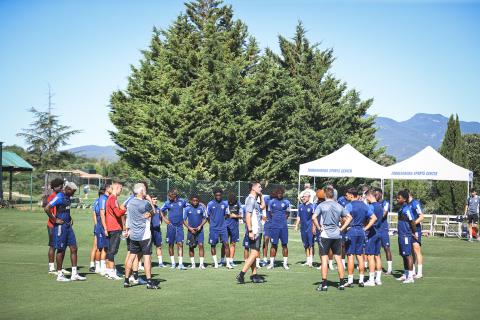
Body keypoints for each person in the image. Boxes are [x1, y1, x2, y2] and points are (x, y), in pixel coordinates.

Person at [312, 186, 352, 291]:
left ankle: (324, 284)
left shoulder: (321, 205)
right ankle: (342, 283)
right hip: (337, 235)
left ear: (325, 195)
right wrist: (342, 228)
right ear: (333, 195)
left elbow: (313, 217)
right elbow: (349, 217)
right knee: (338, 259)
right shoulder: (339, 205)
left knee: (324, 259)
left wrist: (319, 228)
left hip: (325, 235)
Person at [44, 182, 86, 281]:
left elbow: (65, 210)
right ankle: (59, 275)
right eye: (72, 191)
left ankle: (74, 274)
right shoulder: (59, 196)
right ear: (67, 189)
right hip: (60, 227)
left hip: (68, 227)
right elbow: (47, 208)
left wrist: (70, 217)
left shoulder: (68, 197)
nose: (73, 194)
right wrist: (54, 220)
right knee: (61, 250)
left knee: (74, 248)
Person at [123, 183, 158, 289]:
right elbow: (154, 211)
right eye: (144, 190)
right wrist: (149, 200)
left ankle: (126, 281)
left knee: (131, 257)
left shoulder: (130, 203)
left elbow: (127, 215)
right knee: (147, 257)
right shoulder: (145, 204)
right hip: (144, 235)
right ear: (141, 191)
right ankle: (149, 282)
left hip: (133, 235)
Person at [344, 187, 377, 287]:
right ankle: (361, 280)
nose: (346, 196)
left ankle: (350, 281)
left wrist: (344, 227)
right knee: (360, 256)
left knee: (350, 256)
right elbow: (374, 218)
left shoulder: (349, 205)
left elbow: (345, 218)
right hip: (361, 232)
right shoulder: (364, 205)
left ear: (351, 195)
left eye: (347, 195)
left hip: (352, 231)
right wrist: (365, 228)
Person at [236, 182, 266, 284]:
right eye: (259, 187)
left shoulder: (254, 199)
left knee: (254, 252)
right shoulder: (251, 200)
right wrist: (250, 231)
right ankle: (241, 274)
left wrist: (261, 196)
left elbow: (263, 206)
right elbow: (248, 216)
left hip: (256, 229)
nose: (261, 188)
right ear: (253, 188)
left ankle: (254, 275)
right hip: (255, 230)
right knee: (255, 253)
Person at [161, 188, 188, 270]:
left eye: (170, 195)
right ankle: (173, 263)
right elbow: (161, 211)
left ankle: (180, 264)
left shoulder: (182, 201)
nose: (168, 197)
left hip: (179, 226)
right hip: (171, 226)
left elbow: (190, 207)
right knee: (171, 244)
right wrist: (165, 219)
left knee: (180, 244)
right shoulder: (167, 203)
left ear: (174, 195)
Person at [105, 182, 127, 280]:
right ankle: (111, 272)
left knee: (111, 250)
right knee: (112, 250)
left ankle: (110, 270)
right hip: (114, 227)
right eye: (121, 189)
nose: (121, 191)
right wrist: (124, 209)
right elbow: (118, 213)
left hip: (112, 227)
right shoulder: (113, 198)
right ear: (117, 188)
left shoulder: (111, 198)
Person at [207, 189, 233, 269]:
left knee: (226, 244)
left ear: (221, 195)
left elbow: (227, 214)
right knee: (213, 245)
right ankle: (216, 264)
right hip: (213, 228)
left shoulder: (225, 204)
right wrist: (212, 224)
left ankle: (228, 263)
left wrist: (223, 222)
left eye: (220, 195)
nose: (218, 196)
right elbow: (207, 216)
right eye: (217, 195)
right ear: (214, 195)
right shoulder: (210, 204)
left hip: (223, 228)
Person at [396, 190, 417, 284]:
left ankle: (411, 277)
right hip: (401, 234)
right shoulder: (401, 208)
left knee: (408, 255)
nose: (397, 199)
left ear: (404, 199)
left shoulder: (407, 209)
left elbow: (412, 221)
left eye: (399, 198)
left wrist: (414, 232)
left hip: (406, 235)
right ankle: (406, 273)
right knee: (403, 254)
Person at [364, 189, 384, 286]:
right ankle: (378, 279)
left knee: (370, 256)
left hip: (372, 233)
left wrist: (365, 228)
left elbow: (371, 219)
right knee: (377, 256)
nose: (366, 199)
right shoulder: (380, 206)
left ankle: (371, 280)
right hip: (379, 232)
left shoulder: (371, 206)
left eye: (366, 197)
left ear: (369, 196)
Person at [267, 186, 291, 270]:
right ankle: (271, 263)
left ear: (283, 194)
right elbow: (270, 213)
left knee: (284, 245)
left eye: (281, 193)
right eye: (278, 193)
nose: (280, 194)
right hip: (274, 227)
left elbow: (288, 213)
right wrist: (276, 220)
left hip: (283, 227)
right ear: (276, 194)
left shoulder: (286, 202)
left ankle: (285, 263)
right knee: (273, 245)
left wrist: (283, 220)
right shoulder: (271, 202)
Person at [44, 178, 64, 275]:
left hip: (60, 226)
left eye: (62, 185)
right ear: (54, 187)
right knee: (53, 246)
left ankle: (60, 267)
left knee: (60, 245)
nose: (61, 187)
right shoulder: (52, 197)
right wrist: (55, 220)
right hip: (52, 225)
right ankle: (51, 268)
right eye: (60, 186)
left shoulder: (59, 196)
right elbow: (48, 210)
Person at [184, 195, 208, 269]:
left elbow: (205, 218)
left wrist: (200, 226)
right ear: (191, 201)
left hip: (200, 230)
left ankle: (201, 264)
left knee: (201, 245)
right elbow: (184, 220)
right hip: (190, 231)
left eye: (196, 200)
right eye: (193, 200)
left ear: (198, 201)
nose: (195, 202)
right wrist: (189, 228)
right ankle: (193, 264)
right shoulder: (187, 208)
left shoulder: (201, 208)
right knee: (191, 247)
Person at [407, 190, 424, 279]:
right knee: (410, 250)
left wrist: (413, 224)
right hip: (409, 230)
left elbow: (421, 216)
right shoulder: (407, 204)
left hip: (416, 230)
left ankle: (420, 272)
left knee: (417, 250)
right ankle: (412, 270)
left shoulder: (415, 203)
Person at [295, 192, 314, 267]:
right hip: (303, 228)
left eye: (305, 197)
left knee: (311, 245)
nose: (303, 198)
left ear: (309, 197)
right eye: (303, 197)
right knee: (305, 245)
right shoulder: (300, 206)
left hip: (310, 228)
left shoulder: (312, 206)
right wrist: (296, 225)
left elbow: (314, 218)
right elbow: (299, 217)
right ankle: (307, 260)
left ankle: (311, 261)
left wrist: (314, 227)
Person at [226, 193, 242, 267]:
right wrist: (227, 215)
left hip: (234, 226)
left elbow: (242, 215)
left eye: (232, 201)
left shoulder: (238, 203)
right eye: (230, 201)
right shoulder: (225, 203)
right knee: (225, 244)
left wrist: (236, 216)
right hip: (225, 226)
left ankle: (231, 261)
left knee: (233, 243)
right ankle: (223, 260)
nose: (231, 202)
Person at [378, 193, 393, 275]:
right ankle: (378, 267)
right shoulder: (374, 204)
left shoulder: (385, 203)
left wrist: (375, 217)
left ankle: (389, 269)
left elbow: (384, 214)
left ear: (380, 194)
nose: (375, 196)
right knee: (377, 249)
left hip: (383, 229)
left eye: (376, 194)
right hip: (376, 229)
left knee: (386, 248)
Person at [151, 196, 166, 268]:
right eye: (154, 199)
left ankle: (160, 263)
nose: (155, 200)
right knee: (147, 248)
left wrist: (159, 222)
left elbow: (161, 217)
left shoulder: (158, 208)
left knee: (159, 246)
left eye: (156, 199)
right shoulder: (148, 208)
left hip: (157, 231)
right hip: (149, 231)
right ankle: (143, 264)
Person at [260, 192, 273, 267]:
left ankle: (271, 260)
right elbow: (262, 208)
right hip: (267, 223)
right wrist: (263, 216)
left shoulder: (277, 200)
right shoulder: (266, 199)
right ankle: (264, 259)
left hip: (274, 223)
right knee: (266, 239)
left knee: (273, 242)